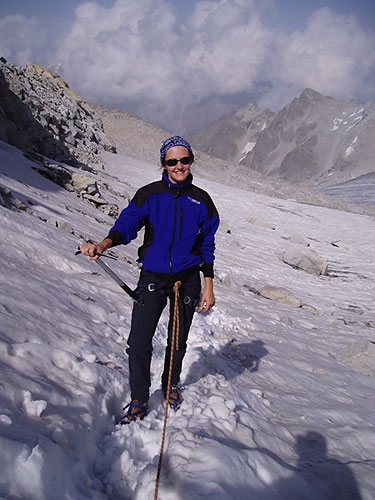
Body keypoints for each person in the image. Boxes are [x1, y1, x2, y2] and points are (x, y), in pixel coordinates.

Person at [79, 136, 219, 424]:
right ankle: (140, 397)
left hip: (187, 279)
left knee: (177, 341)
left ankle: (170, 385)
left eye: (184, 160)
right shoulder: (149, 195)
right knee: (139, 341)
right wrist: (103, 245)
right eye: (172, 161)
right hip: (153, 276)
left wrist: (208, 287)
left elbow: (207, 246)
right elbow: (127, 225)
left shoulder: (202, 201)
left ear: (192, 161)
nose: (179, 166)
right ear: (163, 164)